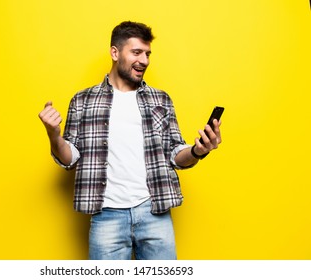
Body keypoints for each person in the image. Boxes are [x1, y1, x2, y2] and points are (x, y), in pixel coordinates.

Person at [38, 21, 222, 260]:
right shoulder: (83, 100)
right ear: (115, 53)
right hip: (107, 217)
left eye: (147, 54)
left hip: (155, 214)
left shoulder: (161, 100)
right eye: (136, 52)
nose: (144, 60)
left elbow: (176, 155)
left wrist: (198, 151)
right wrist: (53, 135)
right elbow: (70, 158)